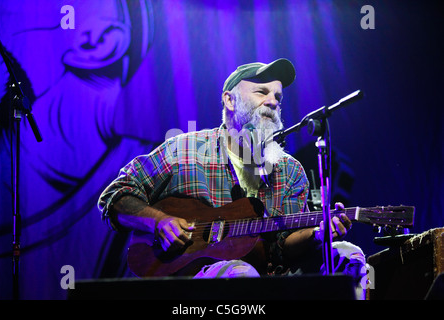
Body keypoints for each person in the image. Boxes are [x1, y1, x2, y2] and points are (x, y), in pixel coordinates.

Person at [98, 58, 367, 299]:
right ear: (230, 100)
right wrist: (159, 222)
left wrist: (318, 234)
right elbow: (116, 194)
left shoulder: (290, 169)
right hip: (200, 279)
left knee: (349, 255)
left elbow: (285, 245)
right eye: (262, 91)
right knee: (241, 274)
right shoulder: (185, 150)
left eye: (278, 97)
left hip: (277, 277)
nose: (273, 101)